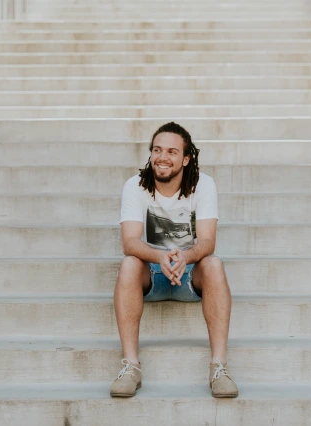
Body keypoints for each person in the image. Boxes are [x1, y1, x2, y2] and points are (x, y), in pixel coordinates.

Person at [110, 122, 238, 398]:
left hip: (190, 273)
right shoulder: (136, 185)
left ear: (186, 158)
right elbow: (129, 242)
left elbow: (207, 241)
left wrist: (185, 258)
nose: (163, 157)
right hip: (152, 274)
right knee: (129, 263)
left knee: (213, 263)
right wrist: (159, 256)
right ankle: (131, 366)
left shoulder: (203, 185)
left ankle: (219, 367)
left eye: (171, 151)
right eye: (157, 150)